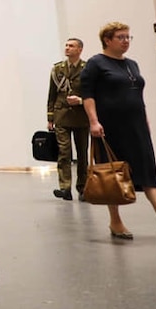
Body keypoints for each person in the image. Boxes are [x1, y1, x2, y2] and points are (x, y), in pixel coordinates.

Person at [81, 21, 156, 242]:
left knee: (148, 170)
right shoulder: (96, 64)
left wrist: (145, 121)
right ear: (107, 40)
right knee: (113, 173)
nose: (126, 41)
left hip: (135, 126)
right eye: (121, 37)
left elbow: (138, 97)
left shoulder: (132, 65)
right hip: (109, 127)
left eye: (128, 37)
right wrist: (93, 122)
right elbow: (87, 94)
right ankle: (115, 220)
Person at [47, 38, 89, 201]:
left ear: (79, 49)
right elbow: (52, 95)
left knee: (82, 154)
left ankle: (83, 188)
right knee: (64, 152)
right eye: (66, 45)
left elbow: (92, 92)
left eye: (71, 46)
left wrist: (80, 100)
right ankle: (65, 188)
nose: (67, 48)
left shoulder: (87, 69)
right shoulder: (58, 69)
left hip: (81, 117)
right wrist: (50, 117)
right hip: (62, 116)